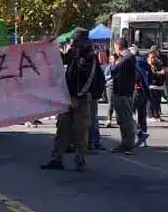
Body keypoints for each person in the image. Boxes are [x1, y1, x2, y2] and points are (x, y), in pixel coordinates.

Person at [42, 28, 105, 172]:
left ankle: (80, 159)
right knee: (62, 128)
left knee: (81, 130)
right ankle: (57, 158)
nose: (74, 46)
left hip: (81, 99)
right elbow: (61, 59)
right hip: (68, 97)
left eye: (77, 43)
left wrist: (78, 96)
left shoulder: (91, 57)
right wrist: (51, 46)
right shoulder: (74, 54)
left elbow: (89, 79)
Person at [110, 38, 137, 154]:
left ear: (119, 47)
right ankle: (125, 142)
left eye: (115, 48)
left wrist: (113, 64)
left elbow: (114, 70)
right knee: (122, 119)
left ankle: (128, 144)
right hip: (122, 91)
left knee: (125, 120)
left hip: (123, 93)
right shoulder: (127, 58)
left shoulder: (126, 58)